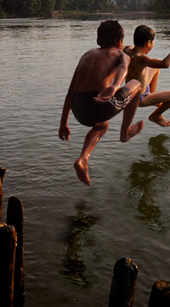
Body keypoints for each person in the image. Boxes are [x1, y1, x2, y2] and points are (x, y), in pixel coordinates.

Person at [59, 20, 144, 185]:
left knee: (102, 126)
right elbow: (123, 68)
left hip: (79, 110)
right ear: (119, 40)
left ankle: (83, 160)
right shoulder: (121, 55)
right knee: (138, 85)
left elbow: (70, 93)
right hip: (101, 104)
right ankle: (125, 132)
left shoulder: (87, 54)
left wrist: (63, 124)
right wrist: (114, 86)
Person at [123, 25, 170, 127]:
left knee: (155, 67)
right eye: (153, 42)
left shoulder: (127, 50)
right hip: (141, 99)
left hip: (133, 92)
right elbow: (165, 64)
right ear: (148, 43)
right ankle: (156, 115)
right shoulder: (142, 59)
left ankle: (154, 97)